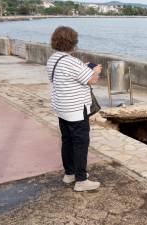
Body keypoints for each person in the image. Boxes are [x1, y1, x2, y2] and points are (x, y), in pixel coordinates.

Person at [46, 26, 102, 192]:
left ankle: (69, 173)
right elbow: (92, 80)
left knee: (67, 140)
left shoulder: (53, 59)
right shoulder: (72, 61)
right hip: (76, 109)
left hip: (61, 107)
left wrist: (83, 68)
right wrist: (96, 71)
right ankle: (81, 180)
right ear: (73, 43)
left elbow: (62, 76)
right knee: (80, 143)